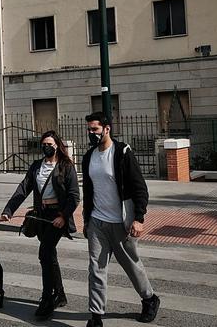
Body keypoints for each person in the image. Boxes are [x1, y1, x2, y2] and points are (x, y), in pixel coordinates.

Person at [82, 112, 160, 325]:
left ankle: (149, 298)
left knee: (132, 265)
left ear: (107, 129)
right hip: (97, 222)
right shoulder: (89, 157)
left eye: (95, 129)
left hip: (121, 223)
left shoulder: (122, 152)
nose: (91, 133)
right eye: (89, 129)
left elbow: (139, 187)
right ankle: (96, 316)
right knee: (96, 269)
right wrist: (86, 220)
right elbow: (88, 192)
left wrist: (139, 218)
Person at [1, 130, 80, 320]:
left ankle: (47, 299)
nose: (46, 147)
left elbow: (74, 196)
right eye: (43, 144)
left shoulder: (65, 166)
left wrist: (63, 216)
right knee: (49, 255)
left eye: (49, 144)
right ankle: (60, 294)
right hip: (41, 216)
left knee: (44, 254)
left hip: (57, 216)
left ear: (57, 145)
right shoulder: (37, 166)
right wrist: (8, 210)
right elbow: (24, 188)